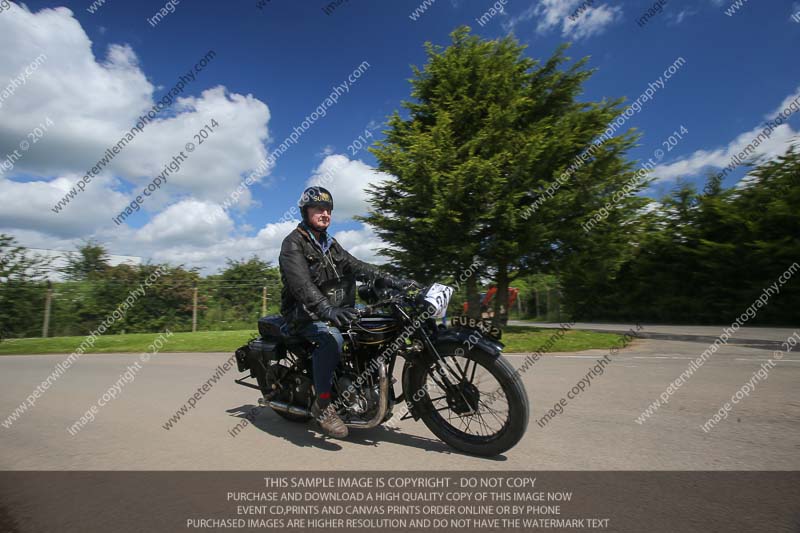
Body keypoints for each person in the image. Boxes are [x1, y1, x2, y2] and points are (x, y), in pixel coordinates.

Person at [278, 186, 415, 438]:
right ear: (305, 211)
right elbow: (302, 286)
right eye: (319, 208)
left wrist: (395, 281)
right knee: (333, 339)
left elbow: (358, 266)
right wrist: (327, 310)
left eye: (328, 209)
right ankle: (323, 405)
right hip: (302, 313)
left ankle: (368, 381)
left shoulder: (330, 244)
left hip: (333, 308)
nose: (325, 213)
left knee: (375, 323)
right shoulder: (293, 244)